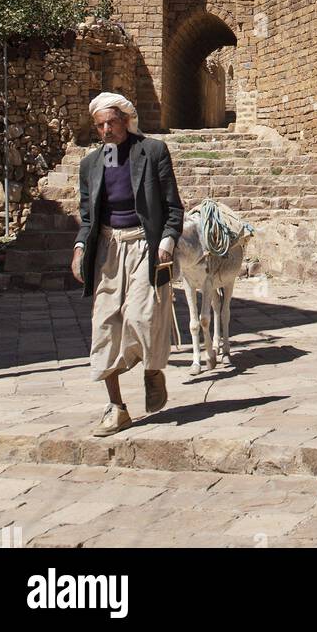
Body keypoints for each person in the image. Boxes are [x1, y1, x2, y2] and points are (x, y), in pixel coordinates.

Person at [71, 92, 184, 436]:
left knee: (141, 316)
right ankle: (116, 408)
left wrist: (167, 241)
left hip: (143, 245)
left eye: (112, 122)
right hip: (107, 249)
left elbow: (173, 207)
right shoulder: (92, 163)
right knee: (105, 326)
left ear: (126, 120)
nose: (106, 130)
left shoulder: (151, 151)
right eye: (101, 125)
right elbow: (88, 216)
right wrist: (79, 248)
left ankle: (152, 370)